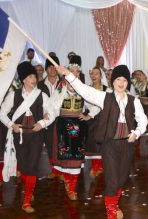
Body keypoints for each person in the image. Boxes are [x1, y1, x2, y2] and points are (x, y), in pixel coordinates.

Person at [57, 64, 147, 219]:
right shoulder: (104, 97)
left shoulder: (134, 101)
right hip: (109, 145)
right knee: (112, 181)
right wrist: (68, 75)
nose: (121, 82)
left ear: (128, 83)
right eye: (118, 79)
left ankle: (114, 204)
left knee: (121, 179)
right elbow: (85, 90)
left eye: (124, 80)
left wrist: (137, 133)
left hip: (127, 144)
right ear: (113, 81)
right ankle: (111, 212)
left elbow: (143, 121)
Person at [0, 61, 54, 213]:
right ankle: (29, 189)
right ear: (23, 79)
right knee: (23, 167)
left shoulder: (41, 95)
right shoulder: (13, 95)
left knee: (32, 167)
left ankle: (27, 201)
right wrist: (12, 125)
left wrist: (42, 123)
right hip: (19, 137)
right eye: (29, 76)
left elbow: (53, 112)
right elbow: (1, 113)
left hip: (36, 137)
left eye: (34, 76)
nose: (33, 79)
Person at [47, 63, 100, 201]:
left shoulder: (83, 89)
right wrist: (48, 115)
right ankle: (68, 181)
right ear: (66, 72)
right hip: (62, 127)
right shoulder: (60, 88)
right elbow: (52, 106)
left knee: (76, 159)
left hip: (78, 127)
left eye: (77, 72)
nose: (75, 74)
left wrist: (89, 115)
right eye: (72, 71)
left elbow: (96, 104)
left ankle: (72, 188)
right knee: (65, 157)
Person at [37, 56, 62, 178]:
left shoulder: (64, 83)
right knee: (50, 144)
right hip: (47, 120)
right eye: (50, 66)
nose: (52, 69)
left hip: (62, 119)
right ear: (46, 69)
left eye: (54, 66)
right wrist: (42, 113)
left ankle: (62, 170)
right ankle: (54, 169)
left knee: (62, 145)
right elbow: (37, 102)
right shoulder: (39, 85)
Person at [85, 67, 110, 178]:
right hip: (91, 118)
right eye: (92, 74)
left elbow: (107, 104)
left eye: (96, 74)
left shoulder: (107, 90)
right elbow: (85, 104)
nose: (94, 76)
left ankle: (99, 166)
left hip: (103, 119)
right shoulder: (87, 88)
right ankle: (96, 166)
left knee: (102, 142)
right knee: (92, 142)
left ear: (101, 76)